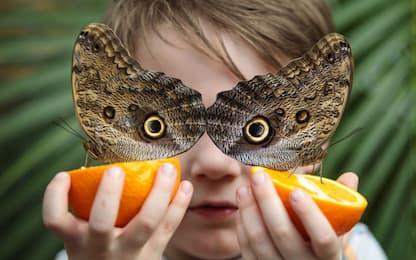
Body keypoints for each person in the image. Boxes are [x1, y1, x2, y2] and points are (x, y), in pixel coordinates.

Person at [43, 0, 387, 259]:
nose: (216, 165)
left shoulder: (357, 252)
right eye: (160, 126)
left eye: (258, 128)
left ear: (315, 142)